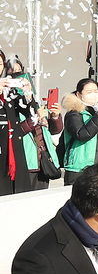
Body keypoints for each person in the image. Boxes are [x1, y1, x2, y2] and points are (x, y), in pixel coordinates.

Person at [1, 52, 61, 194]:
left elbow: (53, 129)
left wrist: (55, 116)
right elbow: (17, 129)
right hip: (23, 158)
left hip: (41, 159)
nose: (17, 76)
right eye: (12, 72)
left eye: (19, 71)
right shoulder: (6, 96)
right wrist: (34, 120)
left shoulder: (22, 97)